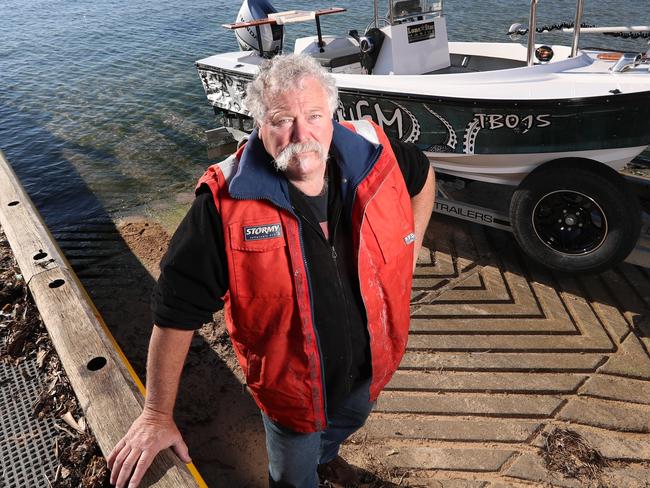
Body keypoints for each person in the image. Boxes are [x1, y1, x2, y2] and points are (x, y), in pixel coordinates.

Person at [107, 53, 435, 488]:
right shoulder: (224, 205)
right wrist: (156, 414)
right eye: (282, 120)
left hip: (370, 366)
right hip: (293, 395)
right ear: (259, 126)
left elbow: (423, 173)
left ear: (332, 114)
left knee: (346, 423)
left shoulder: (375, 154)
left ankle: (327, 456)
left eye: (314, 115)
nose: (302, 135)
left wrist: (411, 251)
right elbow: (175, 310)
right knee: (292, 476)